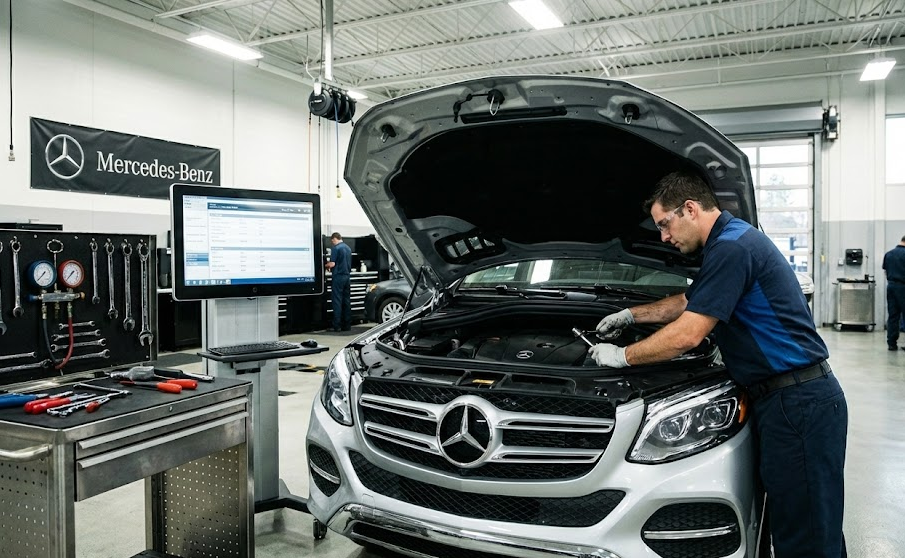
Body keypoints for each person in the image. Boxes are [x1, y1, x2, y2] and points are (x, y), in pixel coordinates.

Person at [590, 171, 848, 558]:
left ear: (690, 209)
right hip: (788, 401)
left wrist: (621, 356)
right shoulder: (732, 241)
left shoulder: (732, 248)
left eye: (664, 224)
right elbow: (687, 301)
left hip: (798, 404)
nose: (663, 237)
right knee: (802, 521)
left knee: (806, 535)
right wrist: (632, 315)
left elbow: (688, 334)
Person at [325, 232, 352, 331]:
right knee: (346, 300)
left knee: (337, 301)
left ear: (334, 239)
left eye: (332, 241)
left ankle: (337, 326)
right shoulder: (348, 248)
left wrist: (326, 265)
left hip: (338, 277)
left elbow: (332, 264)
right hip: (347, 276)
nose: (332, 243)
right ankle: (347, 325)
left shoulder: (336, 248)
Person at [882, 236, 905, 350]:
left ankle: (891, 343)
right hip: (903, 286)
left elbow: (885, 271)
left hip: (891, 286)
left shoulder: (889, 254)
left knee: (893, 316)